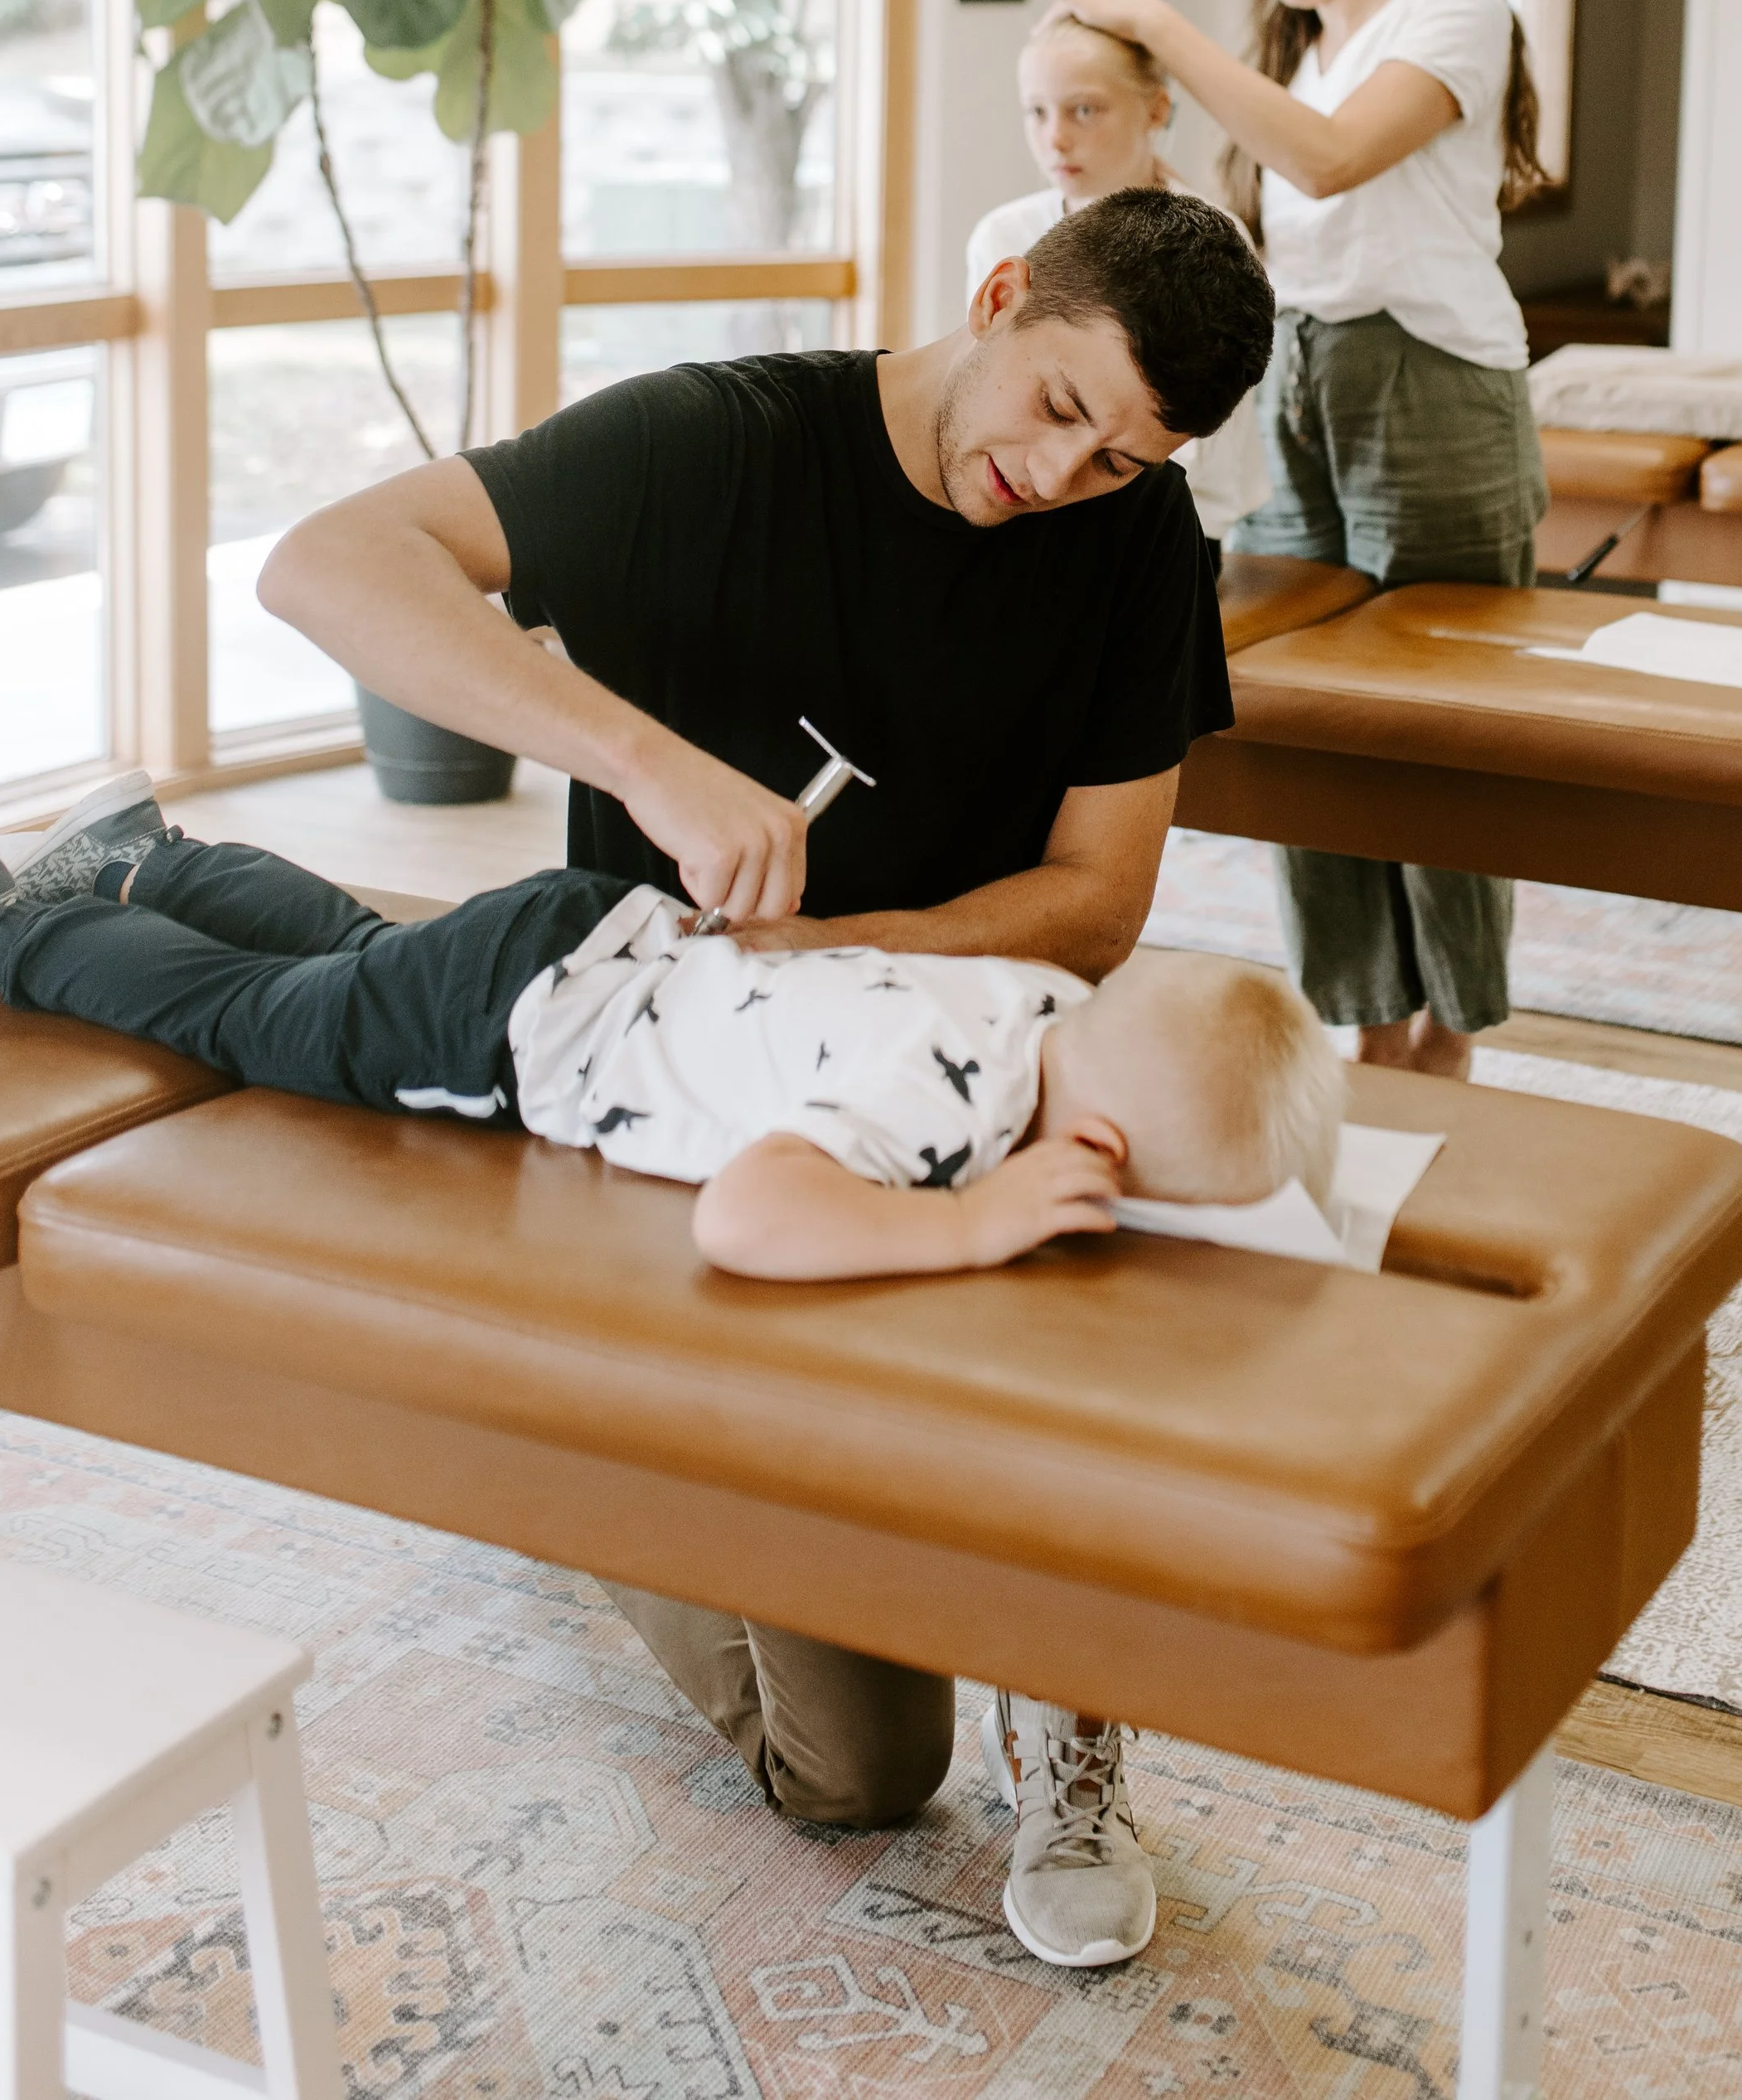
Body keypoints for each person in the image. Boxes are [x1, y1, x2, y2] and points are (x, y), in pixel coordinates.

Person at [244, 186, 1275, 1958]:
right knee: (858, 1766)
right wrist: (646, 765)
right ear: (998, 288)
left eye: (1120, 455)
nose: (1063, 475)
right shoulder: (712, 441)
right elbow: (321, 561)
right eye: (1053, 410)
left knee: (1111, 1319)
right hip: (689, 1115)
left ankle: (1070, 1699)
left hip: (961, 1099)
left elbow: (1097, 903)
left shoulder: (1134, 535)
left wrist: (843, 959)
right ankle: (565, 1444)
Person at [0, 777, 1342, 1976]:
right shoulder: (949, 1110)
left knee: (347, 955)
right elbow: (749, 1212)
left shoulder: (1036, 1000)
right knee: (271, 1018)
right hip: (529, 1033)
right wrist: (964, 1221)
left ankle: (162, 854)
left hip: (602, 935)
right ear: (1088, 1152)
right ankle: (14, 929)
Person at [1045, 0, 1548, 1082]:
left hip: (1428, 380)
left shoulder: (1453, 8)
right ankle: (1365, 1016)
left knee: (1447, 720)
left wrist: (1161, 22)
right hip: (1302, 376)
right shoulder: (1304, 50)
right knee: (1309, 715)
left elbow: (1327, 165)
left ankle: (1448, 1031)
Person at [965, 8, 1270, 547]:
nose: (1055, 139)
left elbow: (1190, 448)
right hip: (1032, 519)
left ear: (1156, 109)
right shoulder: (1004, 235)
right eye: (1036, 113)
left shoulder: (1212, 249)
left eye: (1085, 110)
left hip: (1171, 526)